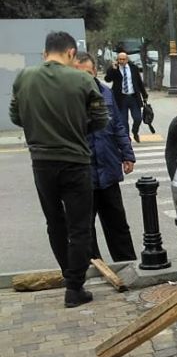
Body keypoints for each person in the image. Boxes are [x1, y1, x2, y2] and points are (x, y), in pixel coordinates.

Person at [9, 31, 109, 308]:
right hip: (76, 162)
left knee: (55, 223)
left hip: (41, 162)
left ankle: (69, 277)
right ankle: (75, 288)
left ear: (45, 53)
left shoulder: (23, 78)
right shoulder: (83, 79)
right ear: (70, 54)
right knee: (79, 228)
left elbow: (16, 115)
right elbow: (101, 119)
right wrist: (77, 129)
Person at [74, 52, 138, 262]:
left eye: (88, 73)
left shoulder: (106, 93)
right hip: (82, 174)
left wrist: (127, 155)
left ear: (94, 72)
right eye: (78, 74)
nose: (84, 78)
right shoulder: (68, 100)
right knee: (85, 227)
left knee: (117, 223)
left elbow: (119, 125)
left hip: (108, 169)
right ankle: (94, 266)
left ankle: (127, 262)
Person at [104, 51, 149, 142]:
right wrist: (112, 69)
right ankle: (127, 138)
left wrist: (144, 95)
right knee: (123, 121)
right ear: (117, 60)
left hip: (133, 97)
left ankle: (135, 132)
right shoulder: (115, 69)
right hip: (121, 99)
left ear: (127, 60)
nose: (121, 61)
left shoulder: (133, 68)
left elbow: (139, 82)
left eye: (123, 59)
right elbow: (107, 79)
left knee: (137, 118)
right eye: (120, 59)